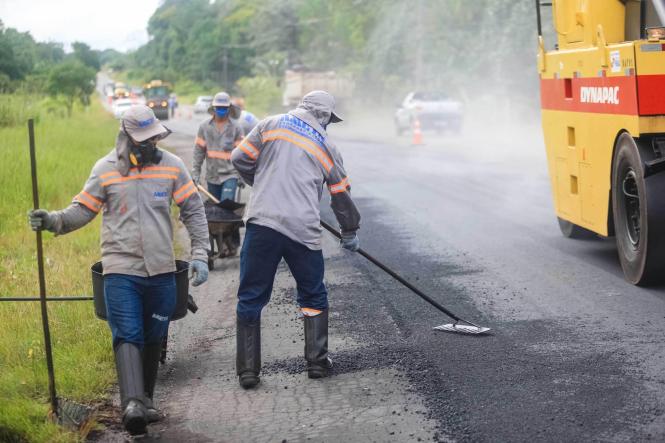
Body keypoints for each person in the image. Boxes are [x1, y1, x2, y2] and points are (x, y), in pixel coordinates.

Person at [28, 105, 210, 435]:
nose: (149, 144)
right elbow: (81, 211)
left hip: (161, 271)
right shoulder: (105, 169)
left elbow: (193, 211)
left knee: (154, 334)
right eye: (142, 140)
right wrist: (52, 220)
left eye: (153, 138)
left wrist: (199, 252)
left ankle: (146, 401)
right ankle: (132, 405)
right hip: (120, 270)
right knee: (128, 333)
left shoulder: (172, 167)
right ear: (126, 138)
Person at [231, 90, 361, 388]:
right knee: (312, 295)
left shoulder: (270, 124)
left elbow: (240, 158)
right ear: (325, 117)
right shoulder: (327, 145)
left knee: (250, 295)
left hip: (262, 222)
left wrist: (262, 183)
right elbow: (340, 193)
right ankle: (317, 362)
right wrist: (350, 229)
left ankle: (248, 371)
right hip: (302, 229)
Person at [192, 91, 244, 254]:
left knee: (227, 208)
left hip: (230, 174)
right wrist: (195, 172)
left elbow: (241, 153)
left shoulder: (235, 127)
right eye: (218, 108)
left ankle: (232, 243)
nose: (221, 110)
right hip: (212, 176)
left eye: (224, 108)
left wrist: (241, 175)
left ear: (229, 109)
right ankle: (221, 243)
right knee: (215, 213)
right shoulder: (204, 127)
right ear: (213, 108)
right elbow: (198, 152)